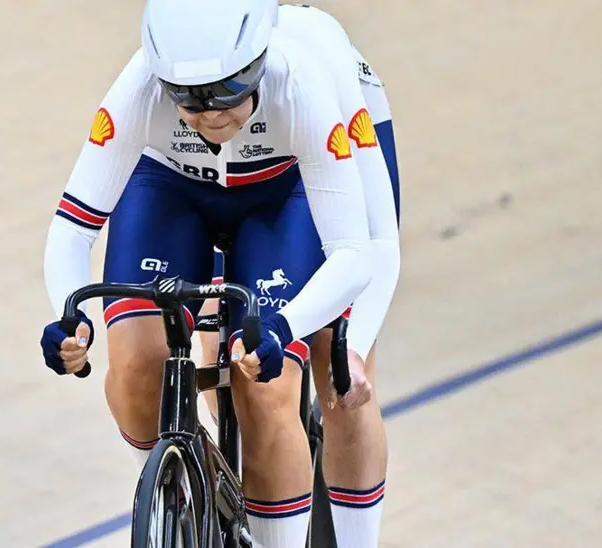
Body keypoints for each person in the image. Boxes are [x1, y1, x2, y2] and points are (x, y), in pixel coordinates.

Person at [37, 1, 400, 546]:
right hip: (173, 186)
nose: (211, 112)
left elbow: (366, 247)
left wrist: (305, 329)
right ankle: (191, 483)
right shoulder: (138, 88)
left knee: (316, 377)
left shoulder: (310, 79)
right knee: (138, 367)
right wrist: (71, 316)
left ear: (258, 61)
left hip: (291, 191)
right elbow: (72, 226)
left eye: (230, 89)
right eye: (188, 97)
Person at [195, 4, 401, 547]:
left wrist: (353, 344)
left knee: (342, 377)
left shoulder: (319, 61)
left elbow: (376, 242)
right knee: (228, 350)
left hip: (326, 165)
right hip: (230, 176)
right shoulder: (186, 63)